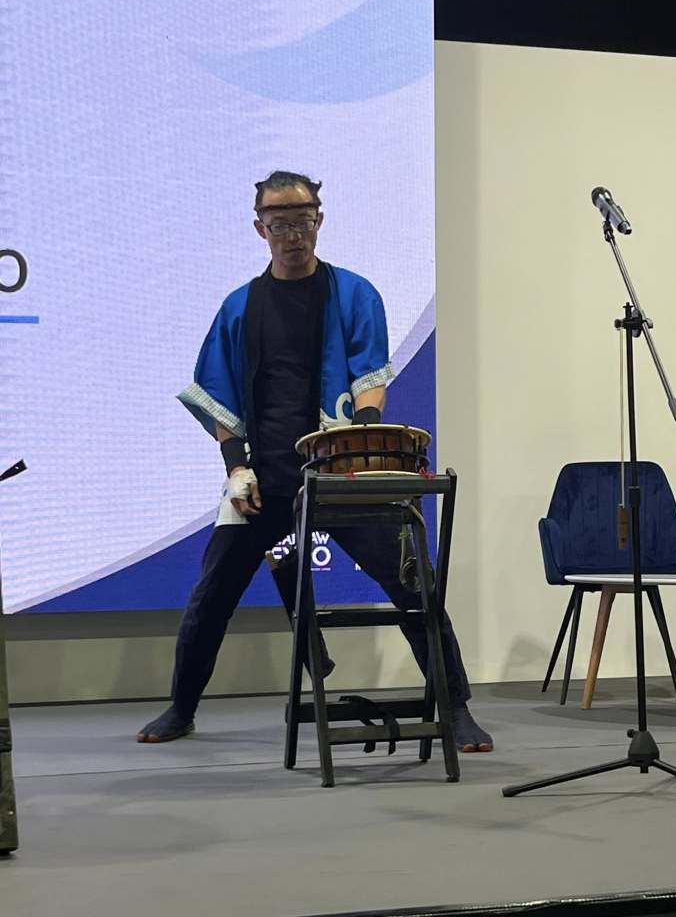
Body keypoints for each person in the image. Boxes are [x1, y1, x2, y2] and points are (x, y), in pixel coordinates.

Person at [137, 170, 493, 753]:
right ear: (260, 228)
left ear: (319, 221)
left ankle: (455, 708)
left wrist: (362, 445)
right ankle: (181, 707)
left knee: (414, 587)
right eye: (279, 223)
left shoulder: (354, 294)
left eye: (302, 221)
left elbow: (369, 380)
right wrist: (236, 469)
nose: (292, 235)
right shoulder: (239, 307)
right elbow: (220, 397)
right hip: (264, 480)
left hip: (341, 473)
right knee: (211, 595)